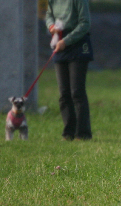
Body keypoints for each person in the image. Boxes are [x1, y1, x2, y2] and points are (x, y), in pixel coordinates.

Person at [46, 0, 94, 141]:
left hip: (77, 46)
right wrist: (51, 26)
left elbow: (85, 23)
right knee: (64, 94)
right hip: (59, 44)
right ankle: (68, 132)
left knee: (77, 92)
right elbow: (49, 14)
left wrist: (66, 41)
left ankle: (83, 134)